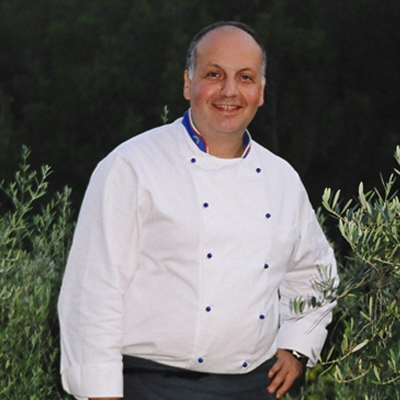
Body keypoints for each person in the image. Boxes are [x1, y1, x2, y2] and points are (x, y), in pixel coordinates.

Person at [58, 21, 339, 400]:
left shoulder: (281, 178)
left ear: (260, 92)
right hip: (151, 386)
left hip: (254, 387)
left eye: (245, 77)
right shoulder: (133, 166)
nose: (229, 91)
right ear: (188, 83)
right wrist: (101, 392)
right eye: (214, 75)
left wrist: (297, 343)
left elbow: (315, 273)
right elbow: (92, 292)